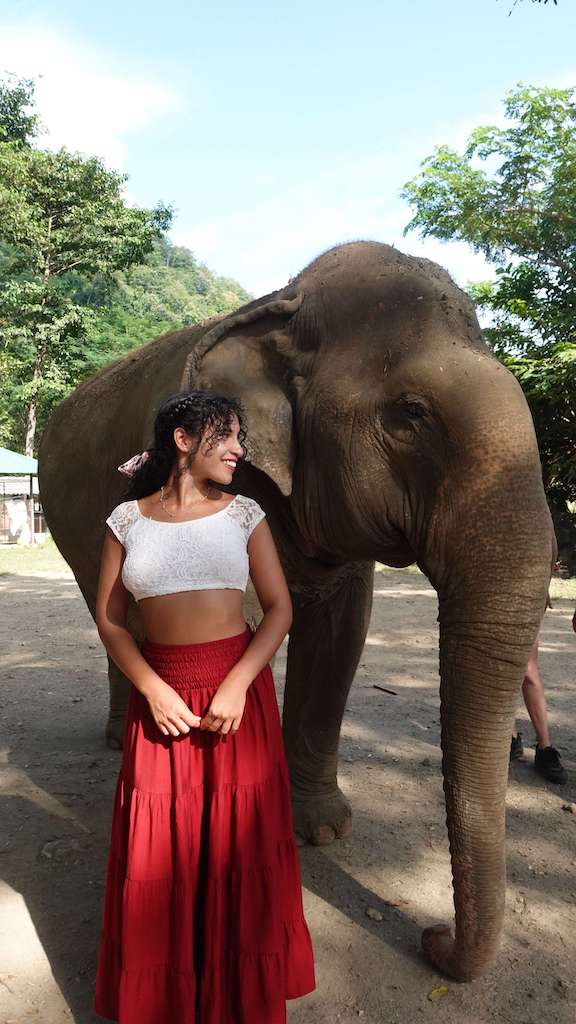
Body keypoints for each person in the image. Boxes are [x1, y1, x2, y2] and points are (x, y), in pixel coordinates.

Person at [93, 391, 315, 1024]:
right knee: (160, 850)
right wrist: (151, 688)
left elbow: (279, 610)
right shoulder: (125, 521)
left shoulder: (245, 514)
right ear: (184, 440)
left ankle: (237, 999)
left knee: (237, 850)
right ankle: (167, 998)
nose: (239, 449)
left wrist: (241, 682)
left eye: (239, 437)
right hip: (161, 700)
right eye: (226, 435)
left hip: (235, 701)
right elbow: (111, 622)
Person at [510, 635, 567, 784]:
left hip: (522, 612)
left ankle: (544, 747)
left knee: (528, 670)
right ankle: (511, 737)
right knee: (493, 669)